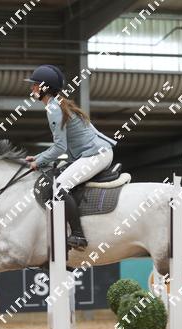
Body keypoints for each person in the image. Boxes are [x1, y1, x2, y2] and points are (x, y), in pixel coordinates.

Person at [24, 64, 117, 250]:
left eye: (35, 85)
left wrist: (39, 161)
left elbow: (60, 147)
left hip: (94, 155)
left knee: (59, 186)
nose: (32, 88)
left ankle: (78, 235)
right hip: (95, 153)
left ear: (44, 88)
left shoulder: (53, 109)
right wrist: (38, 157)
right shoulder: (59, 104)